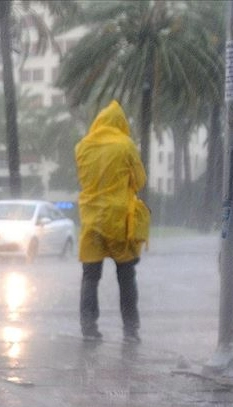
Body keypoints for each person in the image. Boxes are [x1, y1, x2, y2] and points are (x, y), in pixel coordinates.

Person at [74, 100, 150, 343]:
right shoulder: (125, 145)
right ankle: (130, 330)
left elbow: (85, 177)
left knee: (90, 276)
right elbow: (140, 181)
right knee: (126, 275)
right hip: (118, 221)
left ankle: (88, 328)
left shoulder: (83, 146)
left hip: (91, 219)